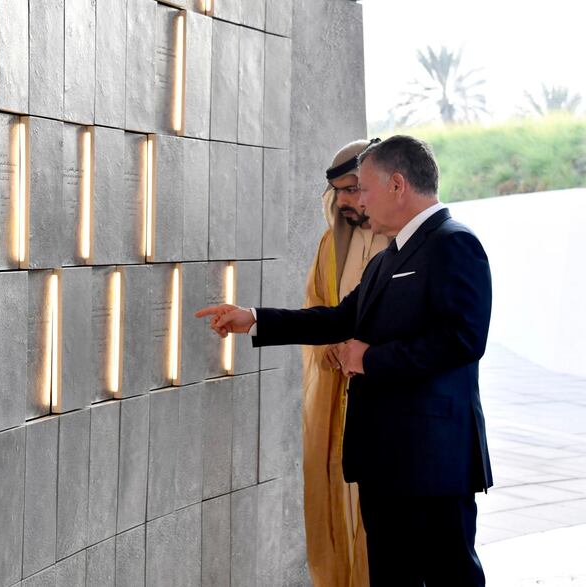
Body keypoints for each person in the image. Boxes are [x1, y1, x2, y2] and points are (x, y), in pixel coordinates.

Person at [197, 135, 493, 587]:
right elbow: (338, 319)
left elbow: (462, 341)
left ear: (398, 185)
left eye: (364, 190)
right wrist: (253, 320)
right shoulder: (389, 256)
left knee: (449, 575)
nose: (359, 204)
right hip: (382, 458)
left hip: (433, 458)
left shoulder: (454, 244)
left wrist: (372, 359)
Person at [302, 139, 389, 587]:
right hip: (338, 397)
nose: (351, 202)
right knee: (335, 504)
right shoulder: (330, 243)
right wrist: (333, 347)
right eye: (343, 192)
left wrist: (361, 348)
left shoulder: (406, 245)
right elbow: (322, 308)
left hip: (387, 400)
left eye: (358, 189)